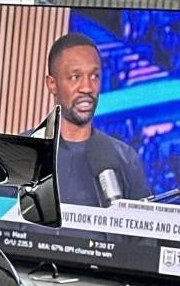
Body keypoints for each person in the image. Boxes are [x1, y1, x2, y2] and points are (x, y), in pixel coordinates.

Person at [45, 31, 151, 206]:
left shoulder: (125, 158)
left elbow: (143, 229)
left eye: (95, 76)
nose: (87, 87)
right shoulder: (22, 154)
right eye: (75, 77)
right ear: (52, 84)